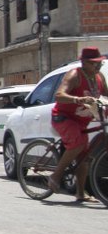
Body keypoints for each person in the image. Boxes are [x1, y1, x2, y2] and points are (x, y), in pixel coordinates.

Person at [49, 46, 107, 202]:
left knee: (84, 157)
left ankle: (80, 193)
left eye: (99, 63)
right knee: (78, 144)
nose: (98, 66)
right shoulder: (74, 75)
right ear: (83, 62)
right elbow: (59, 95)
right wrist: (77, 99)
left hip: (81, 122)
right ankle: (55, 176)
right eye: (94, 63)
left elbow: (106, 98)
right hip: (63, 117)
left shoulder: (100, 78)